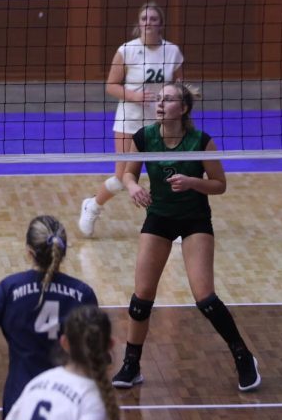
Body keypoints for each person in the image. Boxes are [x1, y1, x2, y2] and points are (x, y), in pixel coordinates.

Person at [111, 83, 260, 392]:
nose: (161, 103)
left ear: (184, 108)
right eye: (160, 99)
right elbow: (127, 173)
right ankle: (131, 365)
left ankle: (243, 357)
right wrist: (132, 187)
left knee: (205, 298)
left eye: (169, 99)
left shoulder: (201, 142)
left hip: (194, 220)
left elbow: (219, 184)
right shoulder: (144, 137)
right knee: (141, 300)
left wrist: (194, 182)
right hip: (159, 217)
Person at [0, 216, 98, 420]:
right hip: (67, 402)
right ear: (63, 252)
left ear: (29, 252)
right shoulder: (83, 293)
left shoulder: (10, 288)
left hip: (20, 399)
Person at [79, 2, 183, 238]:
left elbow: (178, 86)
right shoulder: (127, 50)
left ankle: (170, 223)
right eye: (144, 19)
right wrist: (134, 96)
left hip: (159, 122)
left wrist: (177, 100)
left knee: (165, 174)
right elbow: (111, 85)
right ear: (139, 23)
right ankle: (92, 206)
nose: (148, 23)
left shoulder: (172, 51)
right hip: (129, 118)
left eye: (153, 19)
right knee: (122, 177)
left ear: (161, 24)